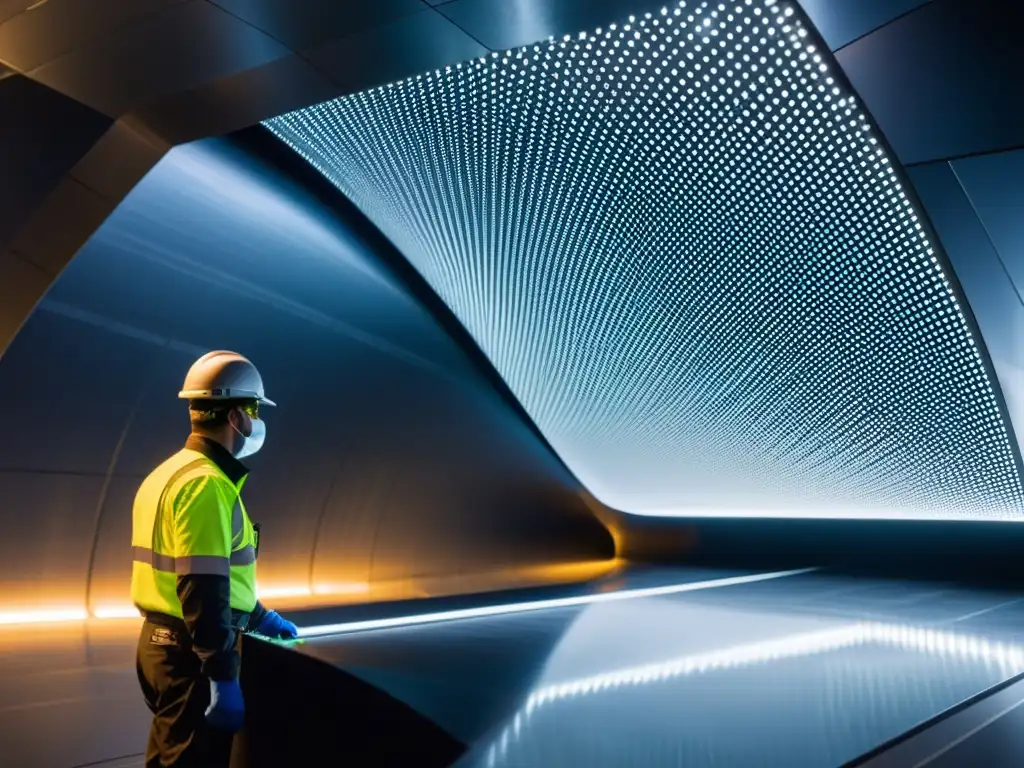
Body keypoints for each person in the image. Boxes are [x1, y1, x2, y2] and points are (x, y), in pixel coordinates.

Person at [130, 350, 298, 767]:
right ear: (237, 416)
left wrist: (257, 616)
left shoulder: (167, 474)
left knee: (170, 756)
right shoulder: (207, 485)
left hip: (158, 645)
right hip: (192, 656)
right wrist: (223, 676)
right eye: (256, 410)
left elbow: (200, 573)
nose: (258, 421)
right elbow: (201, 587)